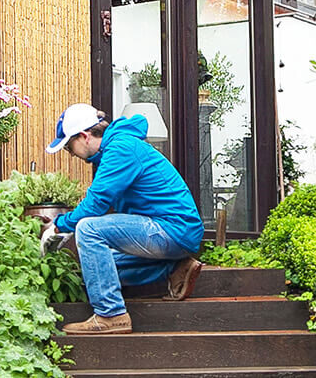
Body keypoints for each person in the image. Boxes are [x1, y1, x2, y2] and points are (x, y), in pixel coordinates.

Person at [44, 103, 205, 335]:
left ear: (84, 136)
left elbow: (96, 204)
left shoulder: (121, 149)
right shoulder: (114, 150)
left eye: (70, 147)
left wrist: (59, 225)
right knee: (98, 268)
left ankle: (111, 315)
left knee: (89, 228)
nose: (71, 154)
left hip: (172, 229)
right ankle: (175, 267)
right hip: (168, 231)